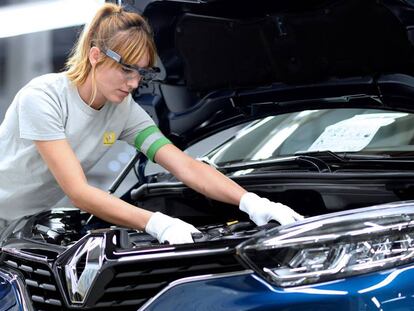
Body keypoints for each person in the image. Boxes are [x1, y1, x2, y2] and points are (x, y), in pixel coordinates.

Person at [0, 3, 303, 244]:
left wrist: (251, 201)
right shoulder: (43, 98)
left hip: (24, 224)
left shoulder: (124, 112)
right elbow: (78, 191)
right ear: (95, 56)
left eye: (141, 74)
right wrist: (156, 222)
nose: (134, 83)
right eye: (126, 70)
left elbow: (184, 165)